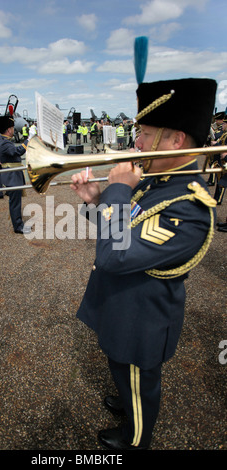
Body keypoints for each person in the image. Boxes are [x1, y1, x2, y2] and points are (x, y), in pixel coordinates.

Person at [70, 78, 217, 450]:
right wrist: (95, 201)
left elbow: (114, 254)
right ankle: (126, 397)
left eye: (145, 133)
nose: (135, 143)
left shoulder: (190, 208)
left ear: (176, 139)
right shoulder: (157, 182)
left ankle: (135, 440)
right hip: (123, 306)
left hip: (141, 320)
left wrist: (117, 191)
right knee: (121, 369)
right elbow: (118, 231)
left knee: (137, 379)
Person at [0, 115, 31, 234]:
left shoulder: (4, 141)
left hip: (12, 175)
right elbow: (18, 151)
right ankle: (18, 226)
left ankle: (18, 222)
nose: (13, 130)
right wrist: (28, 139)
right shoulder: (5, 143)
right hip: (12, 177)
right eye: (12, 128)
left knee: (15, 201)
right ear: (8, 130)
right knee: (15, 202)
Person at [213, 115, 227, 206]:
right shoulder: (225, 134)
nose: (223, 125)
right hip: (222, 160)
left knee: (222, 183)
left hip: (225, 161)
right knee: (220, 182)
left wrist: (216, 145)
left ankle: (218, 199)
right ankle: (216, 199)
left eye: (224, 123)